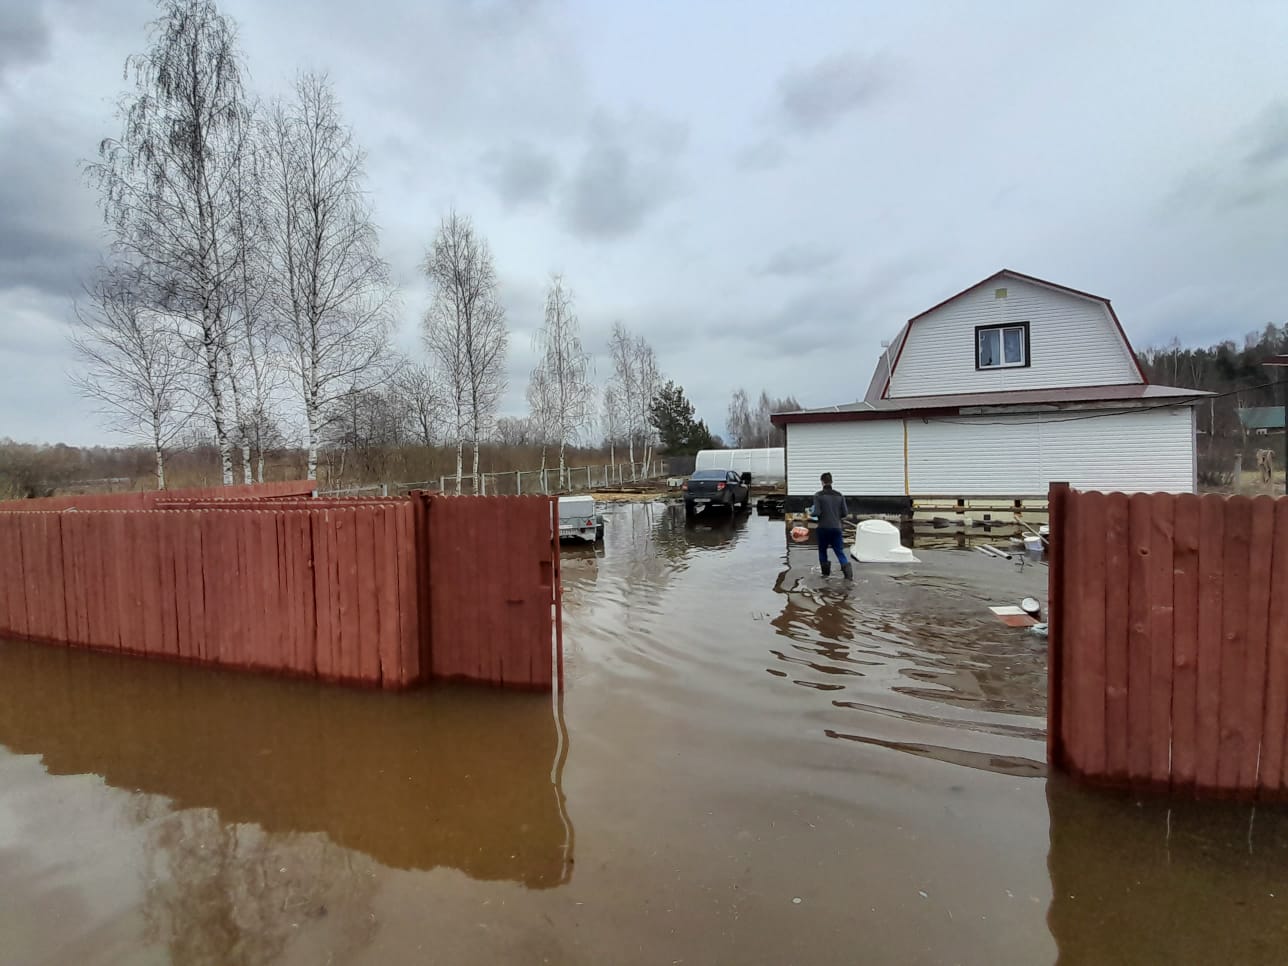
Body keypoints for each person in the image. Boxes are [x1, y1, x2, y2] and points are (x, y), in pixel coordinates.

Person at [811, 472, 853, 579]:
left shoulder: (818, 495)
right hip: (836, 528)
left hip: (823, 528)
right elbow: (845, 513)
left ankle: (825, 575)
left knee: (822, 551)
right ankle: (848, 577)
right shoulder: (839, 495)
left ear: (822, 482)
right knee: (839, 552)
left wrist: (810, 512)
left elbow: (817, 513)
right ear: (831, 481)